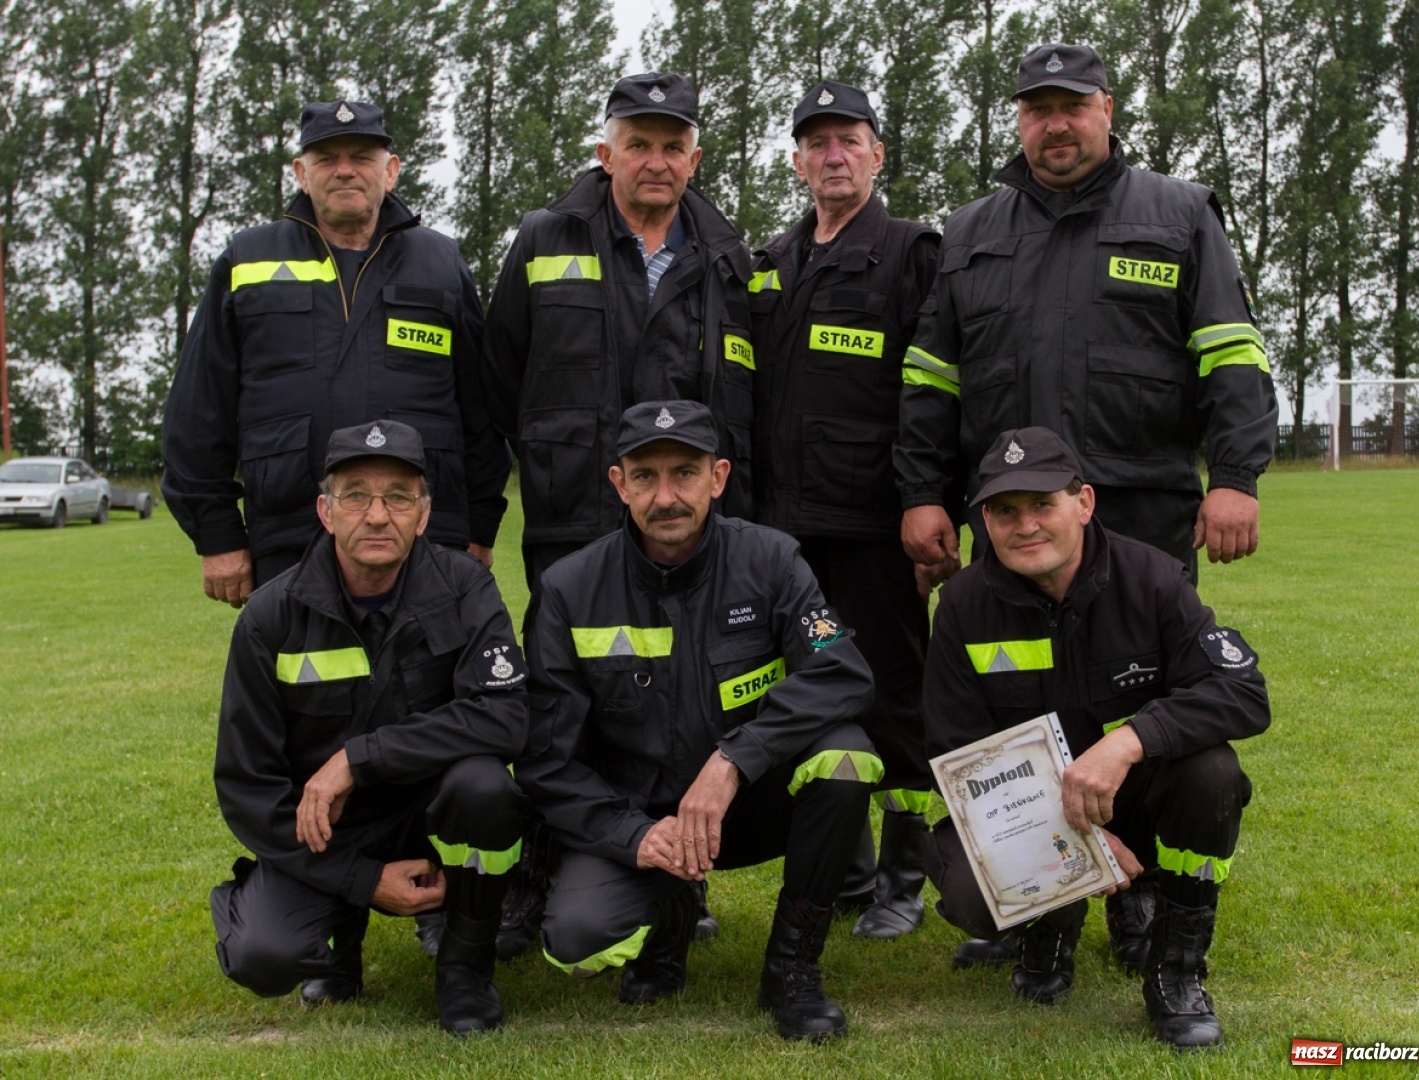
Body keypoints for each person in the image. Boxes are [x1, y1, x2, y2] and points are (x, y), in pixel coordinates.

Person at [896, 41, 1278, 966]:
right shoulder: (973, 231)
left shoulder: (1180, 214)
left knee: (1137, 708)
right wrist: (921, 496)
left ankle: (1136, 899)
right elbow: (931, 383)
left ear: (1107, 109)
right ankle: (1041, 888)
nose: (1054, 124)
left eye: (1072, 106)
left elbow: (1232, 354)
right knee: (1023, 707)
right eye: (1036, 109)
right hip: (1015, 521)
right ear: (1018, 120)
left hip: (1139, 513)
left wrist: (1235, 475)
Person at [482, 71, 754, 949]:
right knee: (562, 704)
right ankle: (539, 867)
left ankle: (683, 868)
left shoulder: (727, 255)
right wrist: (480, 522)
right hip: (572, 518)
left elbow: (747, 403)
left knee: (687, 698)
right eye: (638, 143)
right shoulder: (541, 241)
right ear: (605, 153)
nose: (656, 160)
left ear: (695, 157)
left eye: (673, 145)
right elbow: (492, 391)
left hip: (689, 529)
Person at [516, 400, 881, 1041]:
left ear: (717, 478)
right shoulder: (570, 588)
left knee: (845, 757)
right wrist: (631, 834)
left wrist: (735, 759)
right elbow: (547, 760)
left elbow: (842, 672)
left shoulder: (772, 561)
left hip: (744, 806)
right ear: (618, 483)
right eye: (646, 476)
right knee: (577, 937)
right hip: (642, 815)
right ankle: (670, 912)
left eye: (684, 473)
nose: (666, 496)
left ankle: (792, 970)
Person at [921, 426, 1270, 1050]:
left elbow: (1244, 692)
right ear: (984, 521)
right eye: (1004, 511)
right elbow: (957, 756)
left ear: (1083, 503)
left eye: (1041, 505)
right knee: (971, 896)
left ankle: (1175, 970)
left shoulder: (1153, 580)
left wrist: (1130, 740)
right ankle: (1049, 928)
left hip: (1128, 801)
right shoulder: (962, 606)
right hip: (1025, 810)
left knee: (1210, 773)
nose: (1024, 525)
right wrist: (1080, 844)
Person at [209, 420, 529, 1035]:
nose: (377, 515)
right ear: (326, 512)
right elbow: (247, 786)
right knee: (263, 956)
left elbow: (506, 716)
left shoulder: (466, 589)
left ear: (424, 513)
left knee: (486, 788)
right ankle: (338, 944)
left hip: (428, 813)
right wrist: (362, 880)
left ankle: (465, 967)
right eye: (356, 495)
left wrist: (359, 758)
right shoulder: (270, 617)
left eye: (398, 497)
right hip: (327, 831)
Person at [164, 100, 507, 608]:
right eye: (326, 158)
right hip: (289, 532)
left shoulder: (440, 262)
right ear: (301, 173)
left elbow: (483, 410)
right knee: (306, 682)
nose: (345, 169)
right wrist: (217, 534)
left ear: (390, 171)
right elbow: (198, 410)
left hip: (424, 534)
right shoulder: (248, 259)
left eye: (361, 156)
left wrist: (478, 525)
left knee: (425, 682)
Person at [748, 82, 940, 939]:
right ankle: (849, 864)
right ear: (796, 161)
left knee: (892, 692)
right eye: (815, 142)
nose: (832, 154)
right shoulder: (771, 261)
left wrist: (926, 501)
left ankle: (903, 877)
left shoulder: (910, 255)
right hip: (783, 539)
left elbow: (933, 395)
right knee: (806, 688)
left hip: (872, 532)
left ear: (877, 154)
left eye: (848, 139)